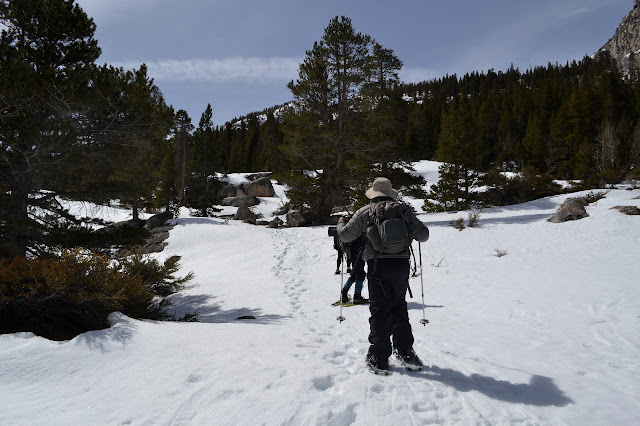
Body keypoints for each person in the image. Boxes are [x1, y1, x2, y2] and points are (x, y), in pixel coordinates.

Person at [337, 177, 429, 373]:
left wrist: (340, 224)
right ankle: (405, 352)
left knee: (380, 310)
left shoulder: (365, 212)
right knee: (399, 307)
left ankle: (379, 356)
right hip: (401, 266)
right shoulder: (404, 210)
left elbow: (345, 235)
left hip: (378, 266)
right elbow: (424, 235)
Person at [340, 234, 367, 304]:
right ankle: (357, 296)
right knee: (360, 273)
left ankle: (344, 292)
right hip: (359, 250)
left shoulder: (353, 229)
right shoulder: (361, 227)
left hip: (353, 249)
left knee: (355, 273)